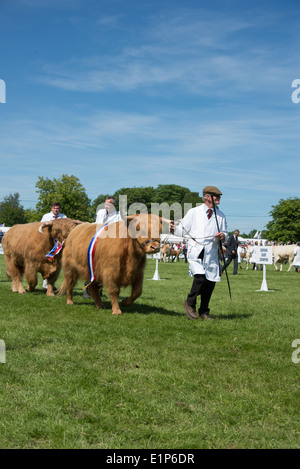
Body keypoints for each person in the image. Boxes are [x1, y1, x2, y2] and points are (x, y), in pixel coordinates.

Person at [170, 185, 228, 320]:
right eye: (216, 197)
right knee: (200, 277)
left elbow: (225, 231)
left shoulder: (220, 215)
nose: (219, 199)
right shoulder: (194, 212)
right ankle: (190, 303)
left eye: (219, 197)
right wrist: (174, 229)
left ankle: (204, 312)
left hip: (211, 251)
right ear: (207, 197)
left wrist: (222, 235)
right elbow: (183, 230)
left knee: (210, 282)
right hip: (196, 249)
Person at [83, 196, 122, 298]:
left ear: (114, 205)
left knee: (103, 269)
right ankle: (87, 290)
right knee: (91, 265)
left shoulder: (119, 217)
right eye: (105, 204)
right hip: (96, 243)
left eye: (108, 204)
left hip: (108, 247)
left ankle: (98, 291)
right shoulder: (100, 213)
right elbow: (96, 225)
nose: (106, 206)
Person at [41, 202, 67, 290]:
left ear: (60, 209)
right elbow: (41, 227)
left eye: (57, 208)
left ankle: (52, 284)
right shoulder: (46, 216)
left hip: (59, 243)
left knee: (57, 262)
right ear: (51, 208)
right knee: (48, 260)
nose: (56, 210)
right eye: (54, 208)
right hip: (48, 241)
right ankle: (45, 283)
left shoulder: (63, 217)